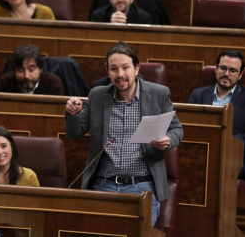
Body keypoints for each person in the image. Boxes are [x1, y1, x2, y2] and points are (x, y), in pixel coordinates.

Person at [64, 41, 183, 226]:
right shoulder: (97, 95)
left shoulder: (158, 94)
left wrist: (168, 140)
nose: (120, 74)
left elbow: (177, 129)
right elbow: (74, 133)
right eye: (114, 69)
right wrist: (72, 114)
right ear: (108, 72)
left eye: (125, 67)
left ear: (136, 69)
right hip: (104, 184)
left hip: (142, 186)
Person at [188, 49, 245, 189]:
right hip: (200, 155)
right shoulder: (198, 95)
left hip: (235, 159)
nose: (226, 74)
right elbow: (187, 127)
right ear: (216, 69)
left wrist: (227, 142)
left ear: (240, 75)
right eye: (223, 68)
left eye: (232, 70)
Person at [0, 44, 64, 95]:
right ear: (14, 70)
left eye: (31, 69)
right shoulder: (5, 82)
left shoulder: (53, 83)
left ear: (40, 69)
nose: (26, 76)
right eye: (21, 70)